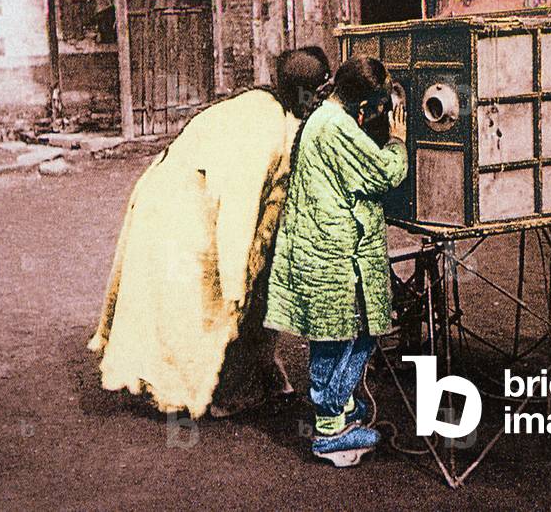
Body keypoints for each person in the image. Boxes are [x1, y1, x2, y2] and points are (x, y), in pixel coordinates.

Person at [87, 48, 332, 420]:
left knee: (230, 293)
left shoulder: (269, 107)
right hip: (179, 210)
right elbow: (240, 206)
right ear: (303, 94)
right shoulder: (262, 127)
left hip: (186, 198)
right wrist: (237, 279)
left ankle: (252, 373)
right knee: (200, 305)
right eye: (317, 95)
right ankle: (216, 392)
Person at [264, 56, 408, 468]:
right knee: (352, 333)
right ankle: (329, 426)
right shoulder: (337, 126)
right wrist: (397, 141)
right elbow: (385, 173)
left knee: (333, 334)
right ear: (364, 107)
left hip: (319, 246)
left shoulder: (325, 116)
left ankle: (337, 407)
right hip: (331, 250)